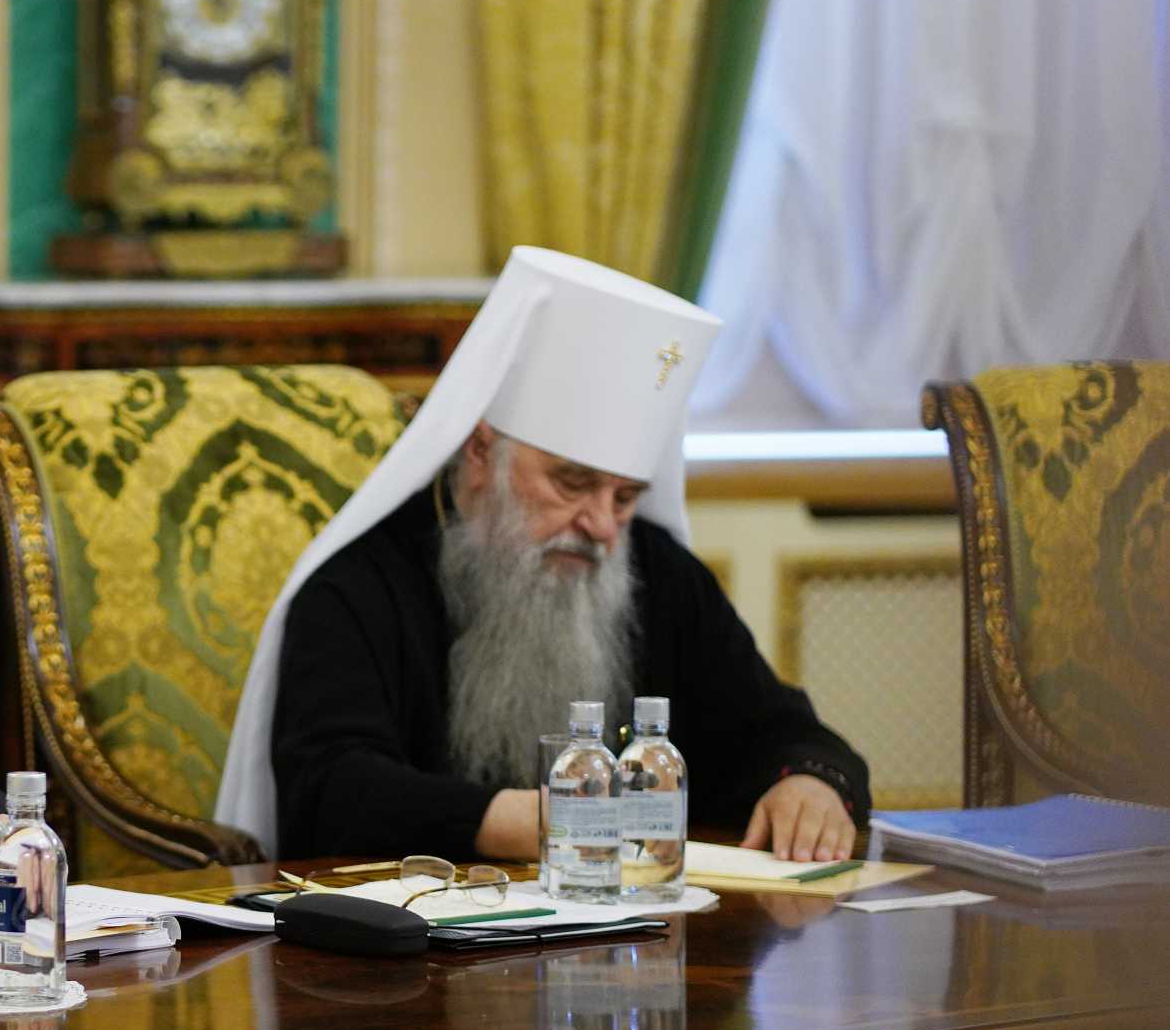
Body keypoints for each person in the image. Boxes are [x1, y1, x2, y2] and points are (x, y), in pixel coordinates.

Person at [217, 247, 870, 864]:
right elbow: (331, 790)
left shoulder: (658, 575)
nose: (601, 526)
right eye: (573, 483)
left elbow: (783, 732)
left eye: (625, 497)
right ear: (481, 452)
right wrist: (533, 821)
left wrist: (810, 783)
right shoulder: (358, 587)